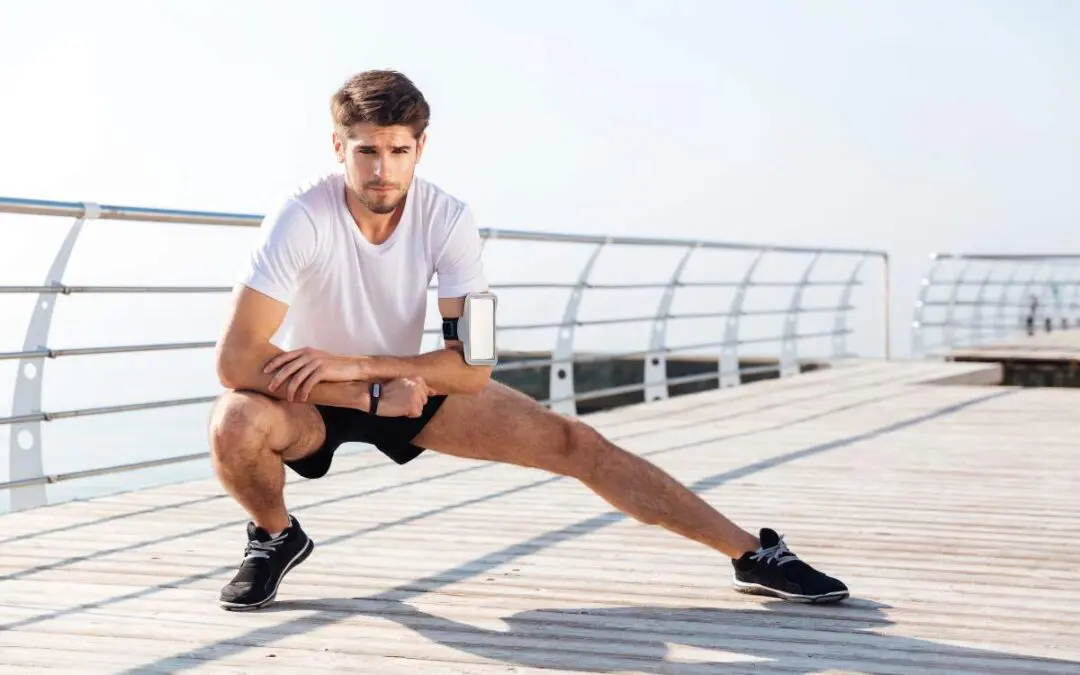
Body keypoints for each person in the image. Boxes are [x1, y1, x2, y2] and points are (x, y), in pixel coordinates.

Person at [209, 70, 849, 612]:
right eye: (367, 151)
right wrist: (364, 392)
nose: (382, 169)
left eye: (398, 150)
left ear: (421, 148)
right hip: (312, 395)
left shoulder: (449, 218)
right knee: (235, 421)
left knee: (576, 443)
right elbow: (236, 359)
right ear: (338, 147)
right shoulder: (300, 216)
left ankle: (752, 555)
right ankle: (275, 535)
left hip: (404, 384)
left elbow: (474, 369)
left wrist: (365, 367)